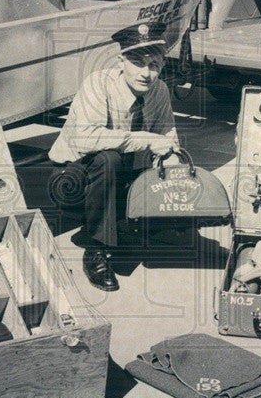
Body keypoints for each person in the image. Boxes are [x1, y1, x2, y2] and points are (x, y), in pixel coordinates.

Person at [49, 20, 179, 291]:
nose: (146, 73)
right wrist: (147, 140)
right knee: (108, 158)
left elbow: (168, 142)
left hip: (121, 180)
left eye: (154, 65)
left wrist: (173, 169)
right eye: (138, 63)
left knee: (168, 208)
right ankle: (96, 250)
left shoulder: (160, 91)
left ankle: (120, 223)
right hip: (72, 182)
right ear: (121, 61)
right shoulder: (98, 84)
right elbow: (86, 140)